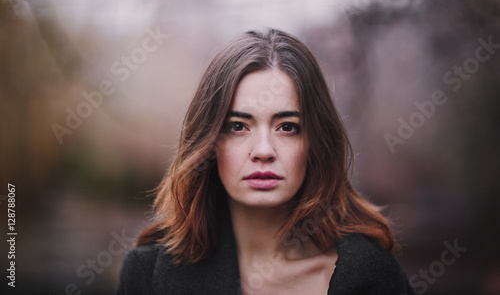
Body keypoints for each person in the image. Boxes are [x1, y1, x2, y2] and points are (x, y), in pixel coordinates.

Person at [116, 28, 415, 294]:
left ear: (315, 143)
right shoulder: (149, 274)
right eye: (237, 126)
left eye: (287, 127)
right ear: (209, 143)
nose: (263, 150)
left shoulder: (372, 275)